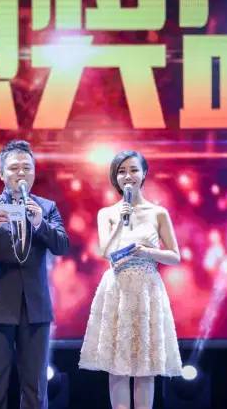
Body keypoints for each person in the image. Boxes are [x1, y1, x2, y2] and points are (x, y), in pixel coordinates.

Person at [0, 140, 70, 409]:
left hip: (36, 308)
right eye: (14, 168)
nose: (21, 173)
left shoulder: (46, 208)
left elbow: (62, 245)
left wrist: (40, 224)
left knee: (36, 388)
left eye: (27, 168)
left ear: (34, 172)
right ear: (2, 173)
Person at [79, 150, 182, 409]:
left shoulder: (158, 213)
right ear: (115, 177)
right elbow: (105, 252)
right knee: (118, 365)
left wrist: (148, 252)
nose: (128, 176)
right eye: (122, 171)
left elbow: (174, 256)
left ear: (144, 173)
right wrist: (118, 223)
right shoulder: (107, 213)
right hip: (117, 289)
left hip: (147, 289)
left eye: (133, 170)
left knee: (145, 365)